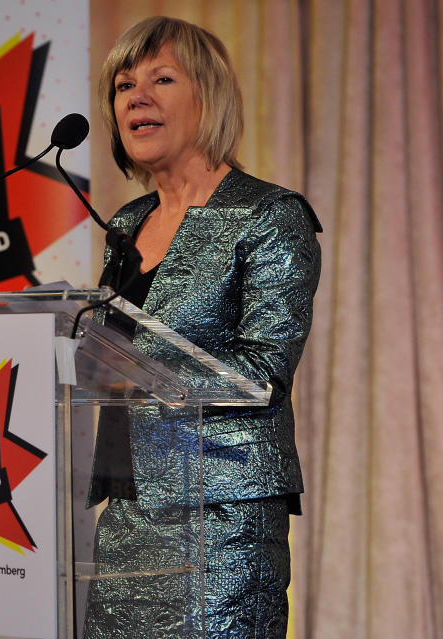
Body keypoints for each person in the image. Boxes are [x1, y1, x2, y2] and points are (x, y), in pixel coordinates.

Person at [83, 17, 322, 638]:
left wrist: (134, 360)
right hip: (127, 513)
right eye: (123, 84)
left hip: (221, 520)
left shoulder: (266, 215)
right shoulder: (126, 223)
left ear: (208, 97)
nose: (136, 96)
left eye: (162, 78)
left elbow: (263, 374)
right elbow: (105, 364)